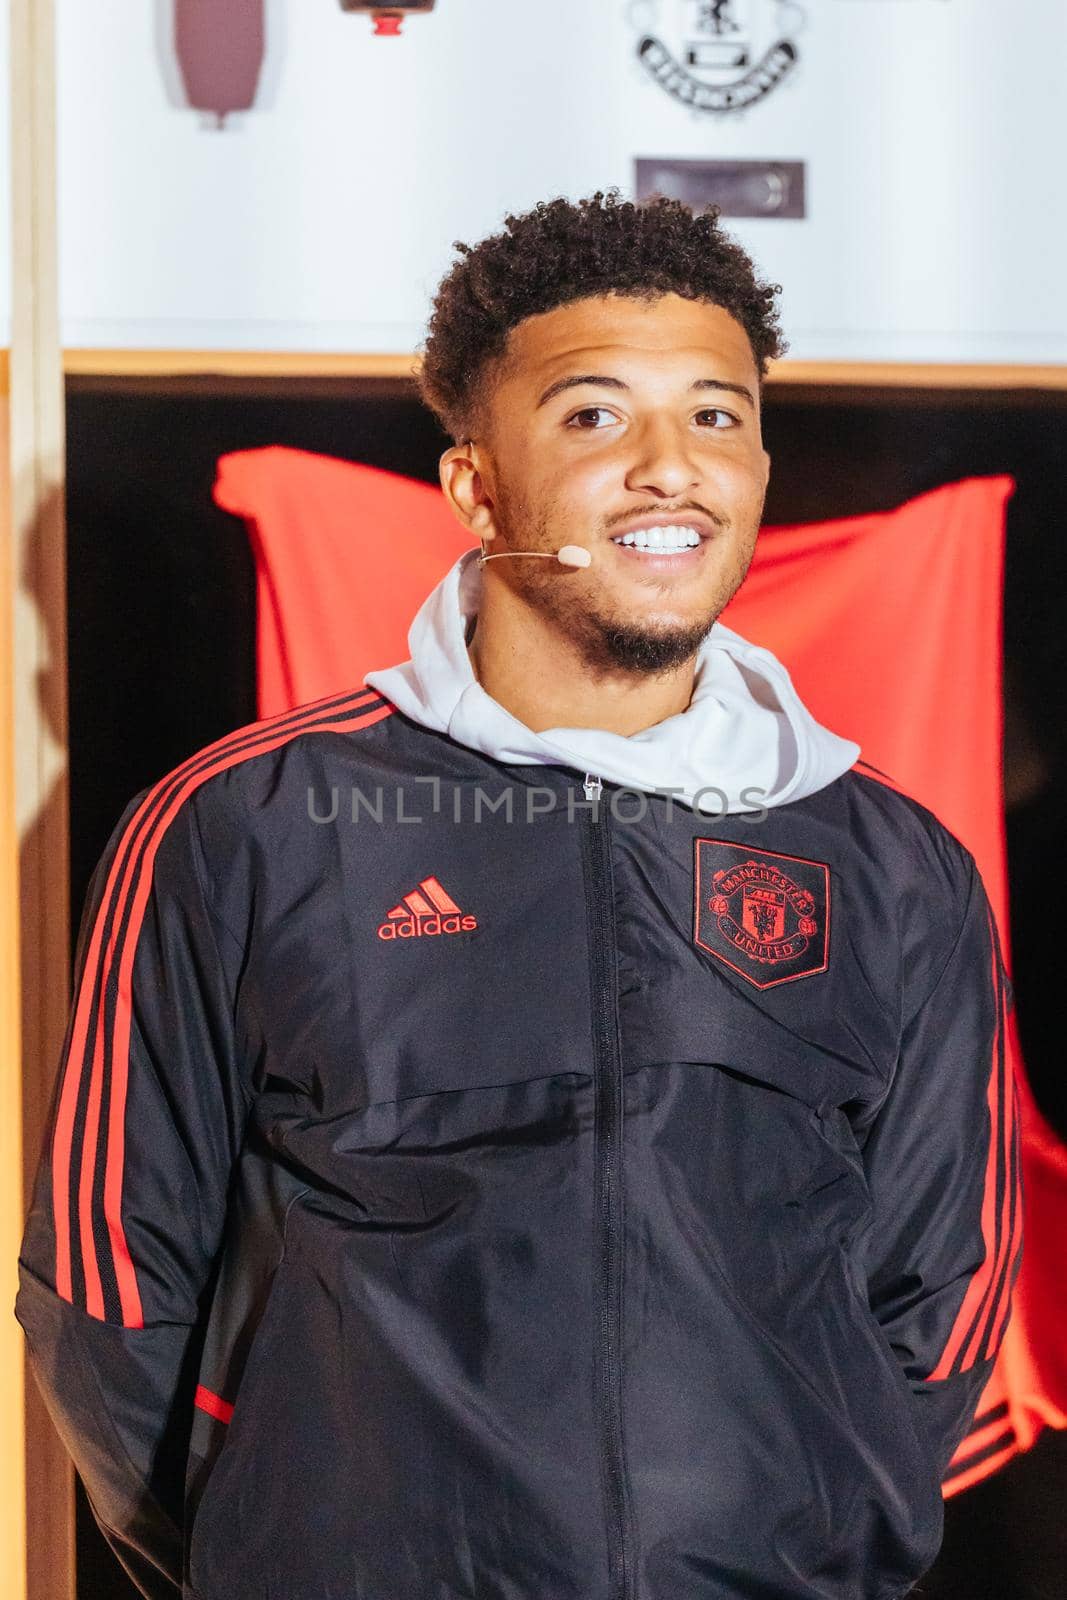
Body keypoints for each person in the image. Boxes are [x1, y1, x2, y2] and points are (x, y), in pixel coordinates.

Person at [17, 189, 1022, 1600]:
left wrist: (820, 1547)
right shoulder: (246, 824)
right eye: (596, 417)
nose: (671, 470)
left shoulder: (893, 863)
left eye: (717, 417)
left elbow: (946, 1294)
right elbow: (106, 1292)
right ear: (477, 487)